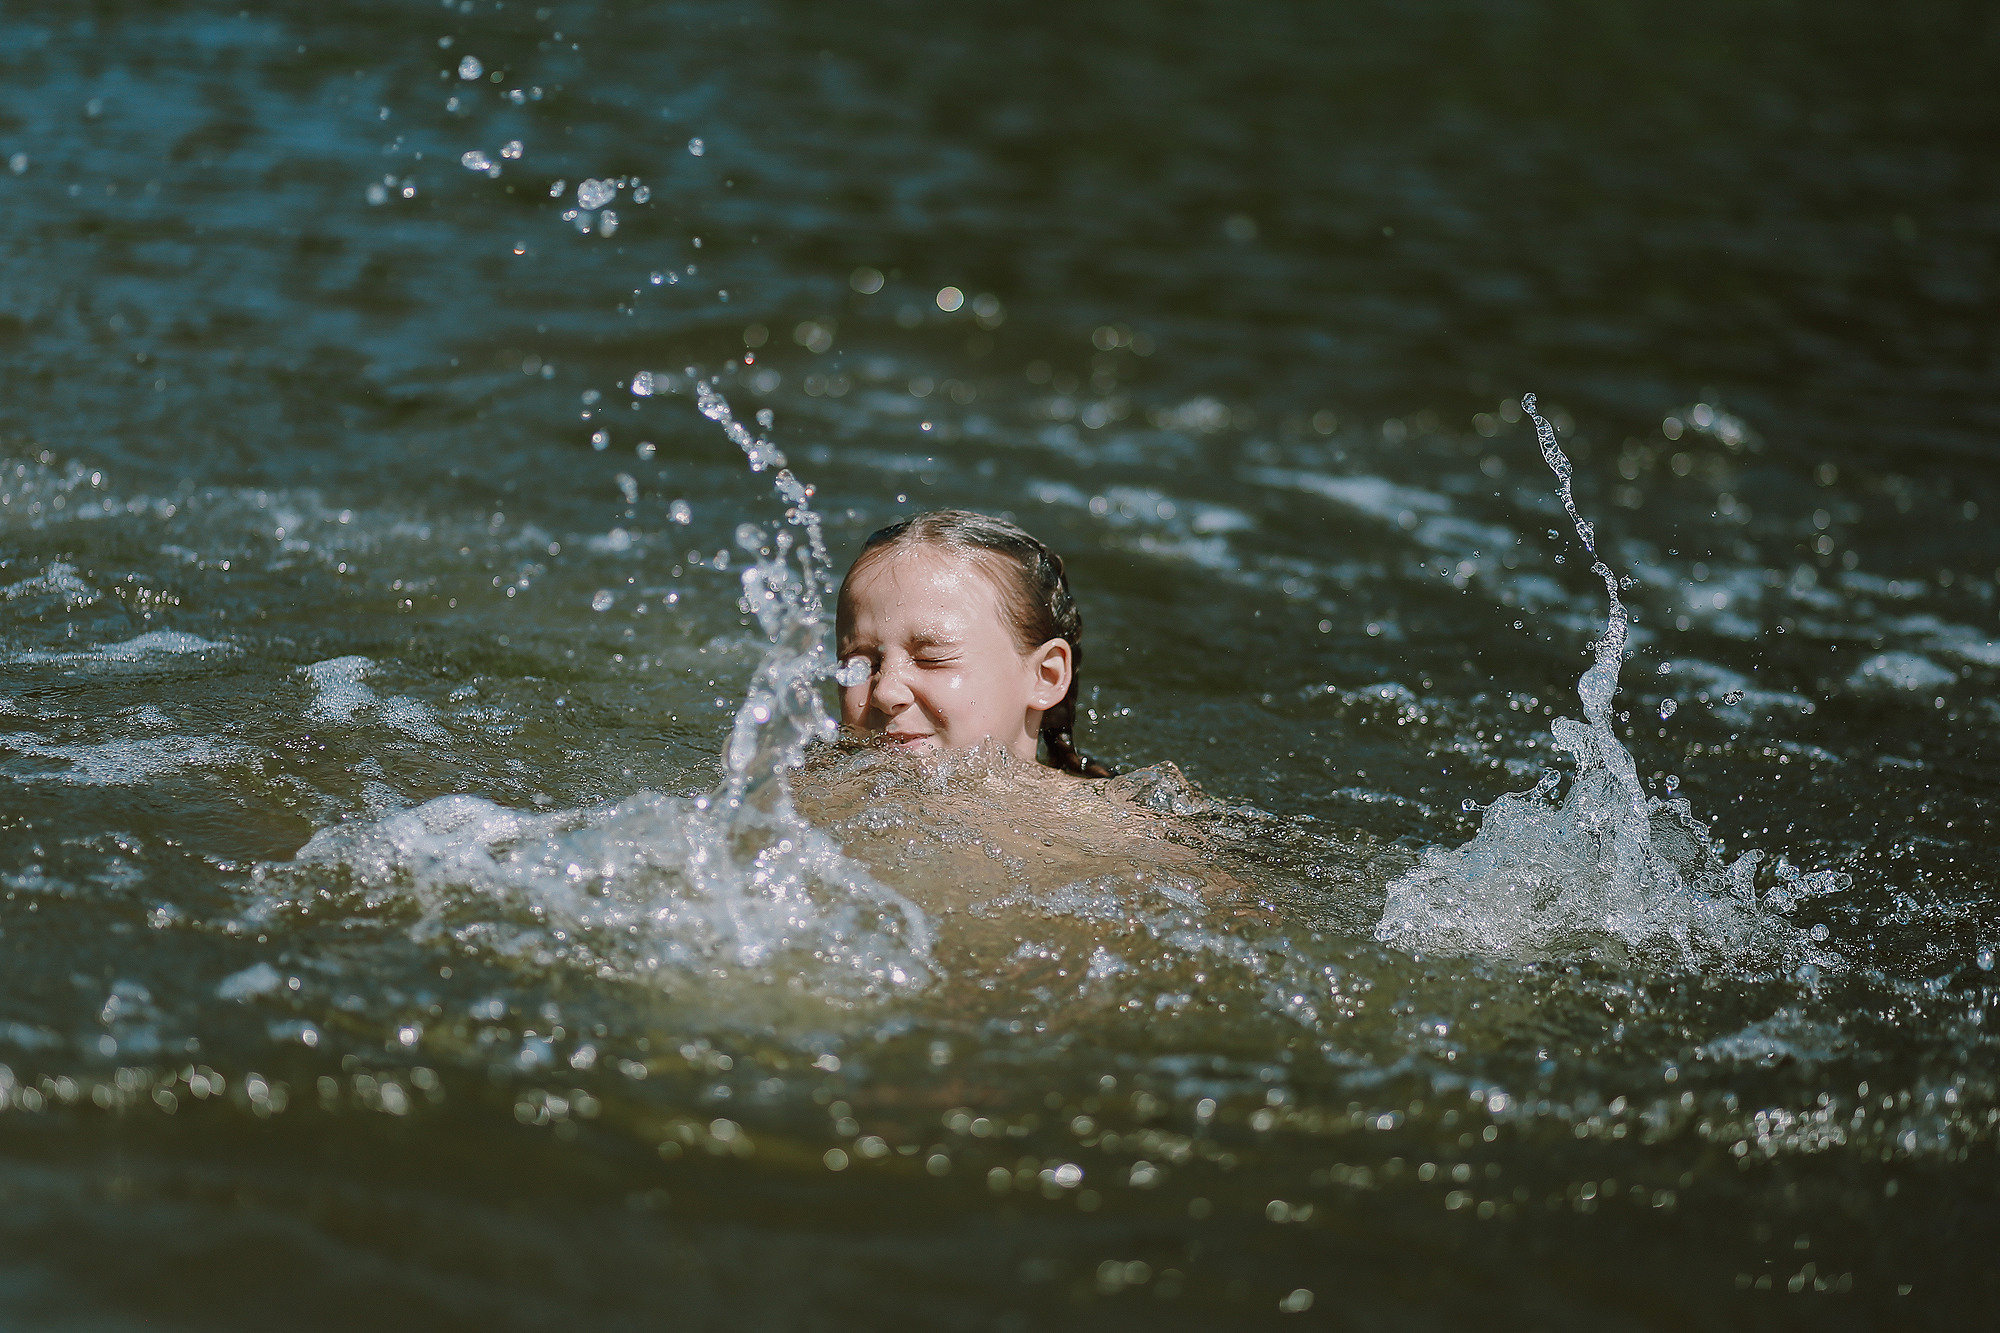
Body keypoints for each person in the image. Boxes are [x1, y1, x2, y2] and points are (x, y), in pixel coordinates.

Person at [833, 510, 1114, 777]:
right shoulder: (799, 802)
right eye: (861, 665)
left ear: (1046, 676)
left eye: (930, 659)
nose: (885, 693)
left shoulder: (1118, 825)